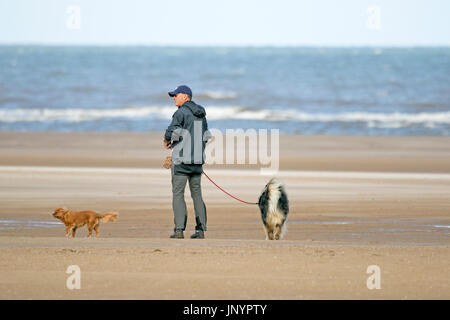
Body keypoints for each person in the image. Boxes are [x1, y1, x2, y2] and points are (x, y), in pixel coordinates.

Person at [164, 85, 209, 239]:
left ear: (185, 96)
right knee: (197, 194)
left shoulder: (180, 112)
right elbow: (206, 136)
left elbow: (172, 132)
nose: (174, 98)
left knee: (178, 194)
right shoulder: (201, 113)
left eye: (176, 95)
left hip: (181, 162)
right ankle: (200, 230)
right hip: (197, 162)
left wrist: (168, 140)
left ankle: (179, 230)